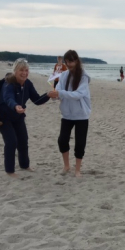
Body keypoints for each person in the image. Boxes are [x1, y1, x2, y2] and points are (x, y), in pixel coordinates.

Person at [0, 58, 50, 176]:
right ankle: (10, 171)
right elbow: (8, 98)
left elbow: (37, 100)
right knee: (11, 142)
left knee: (23, 140)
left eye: (26, 70)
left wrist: (48, 95)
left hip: (18, 116)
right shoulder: (9, 83)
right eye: (21, 70)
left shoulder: (28, 83)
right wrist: (15, 106)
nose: (24, 73)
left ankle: (24, 165)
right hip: (3, 116)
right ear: (15, 71)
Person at [48, 50, 91, 178]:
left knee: (80, 143)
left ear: (77, 61)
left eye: (71, 61)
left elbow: (78, 94)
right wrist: (54, 95)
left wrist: (60, 93)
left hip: (81, 115)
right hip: (67, 114)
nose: (69, 64)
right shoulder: (63, 75)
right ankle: (66, 166)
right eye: (67, 62)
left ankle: (77, 170)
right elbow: (59, 91)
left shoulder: (83, 76)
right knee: (62, 140)